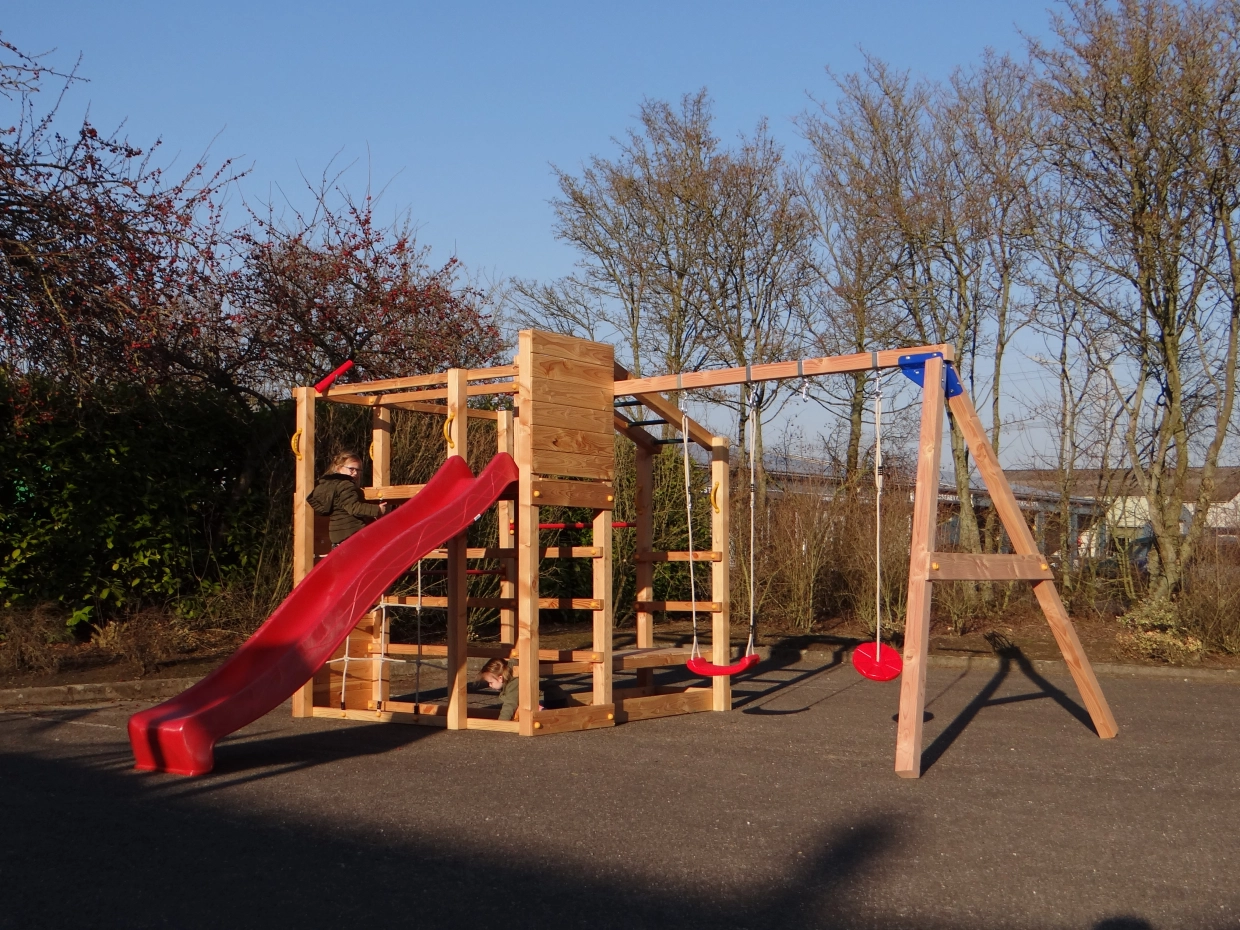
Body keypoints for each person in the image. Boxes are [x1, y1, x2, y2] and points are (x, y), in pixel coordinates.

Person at [306, 451, 390, 546]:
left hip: (339, 537)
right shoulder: (345, 485)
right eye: (351, 469)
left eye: (358, 470)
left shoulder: (332, 486)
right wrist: (378, 510)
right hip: (352, 536)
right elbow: (354, 507)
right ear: (338, 468)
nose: (355, 473)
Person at [476, 658, 568, 721]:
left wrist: (502, 722)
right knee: (521, 706)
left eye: (491, 682)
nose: (489, 685)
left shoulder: (514, 684)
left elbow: (510, 705)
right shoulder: (511, 676)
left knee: (523, 707)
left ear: (500, 678)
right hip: (555, 696)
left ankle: (544, 714)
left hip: (551, 698)